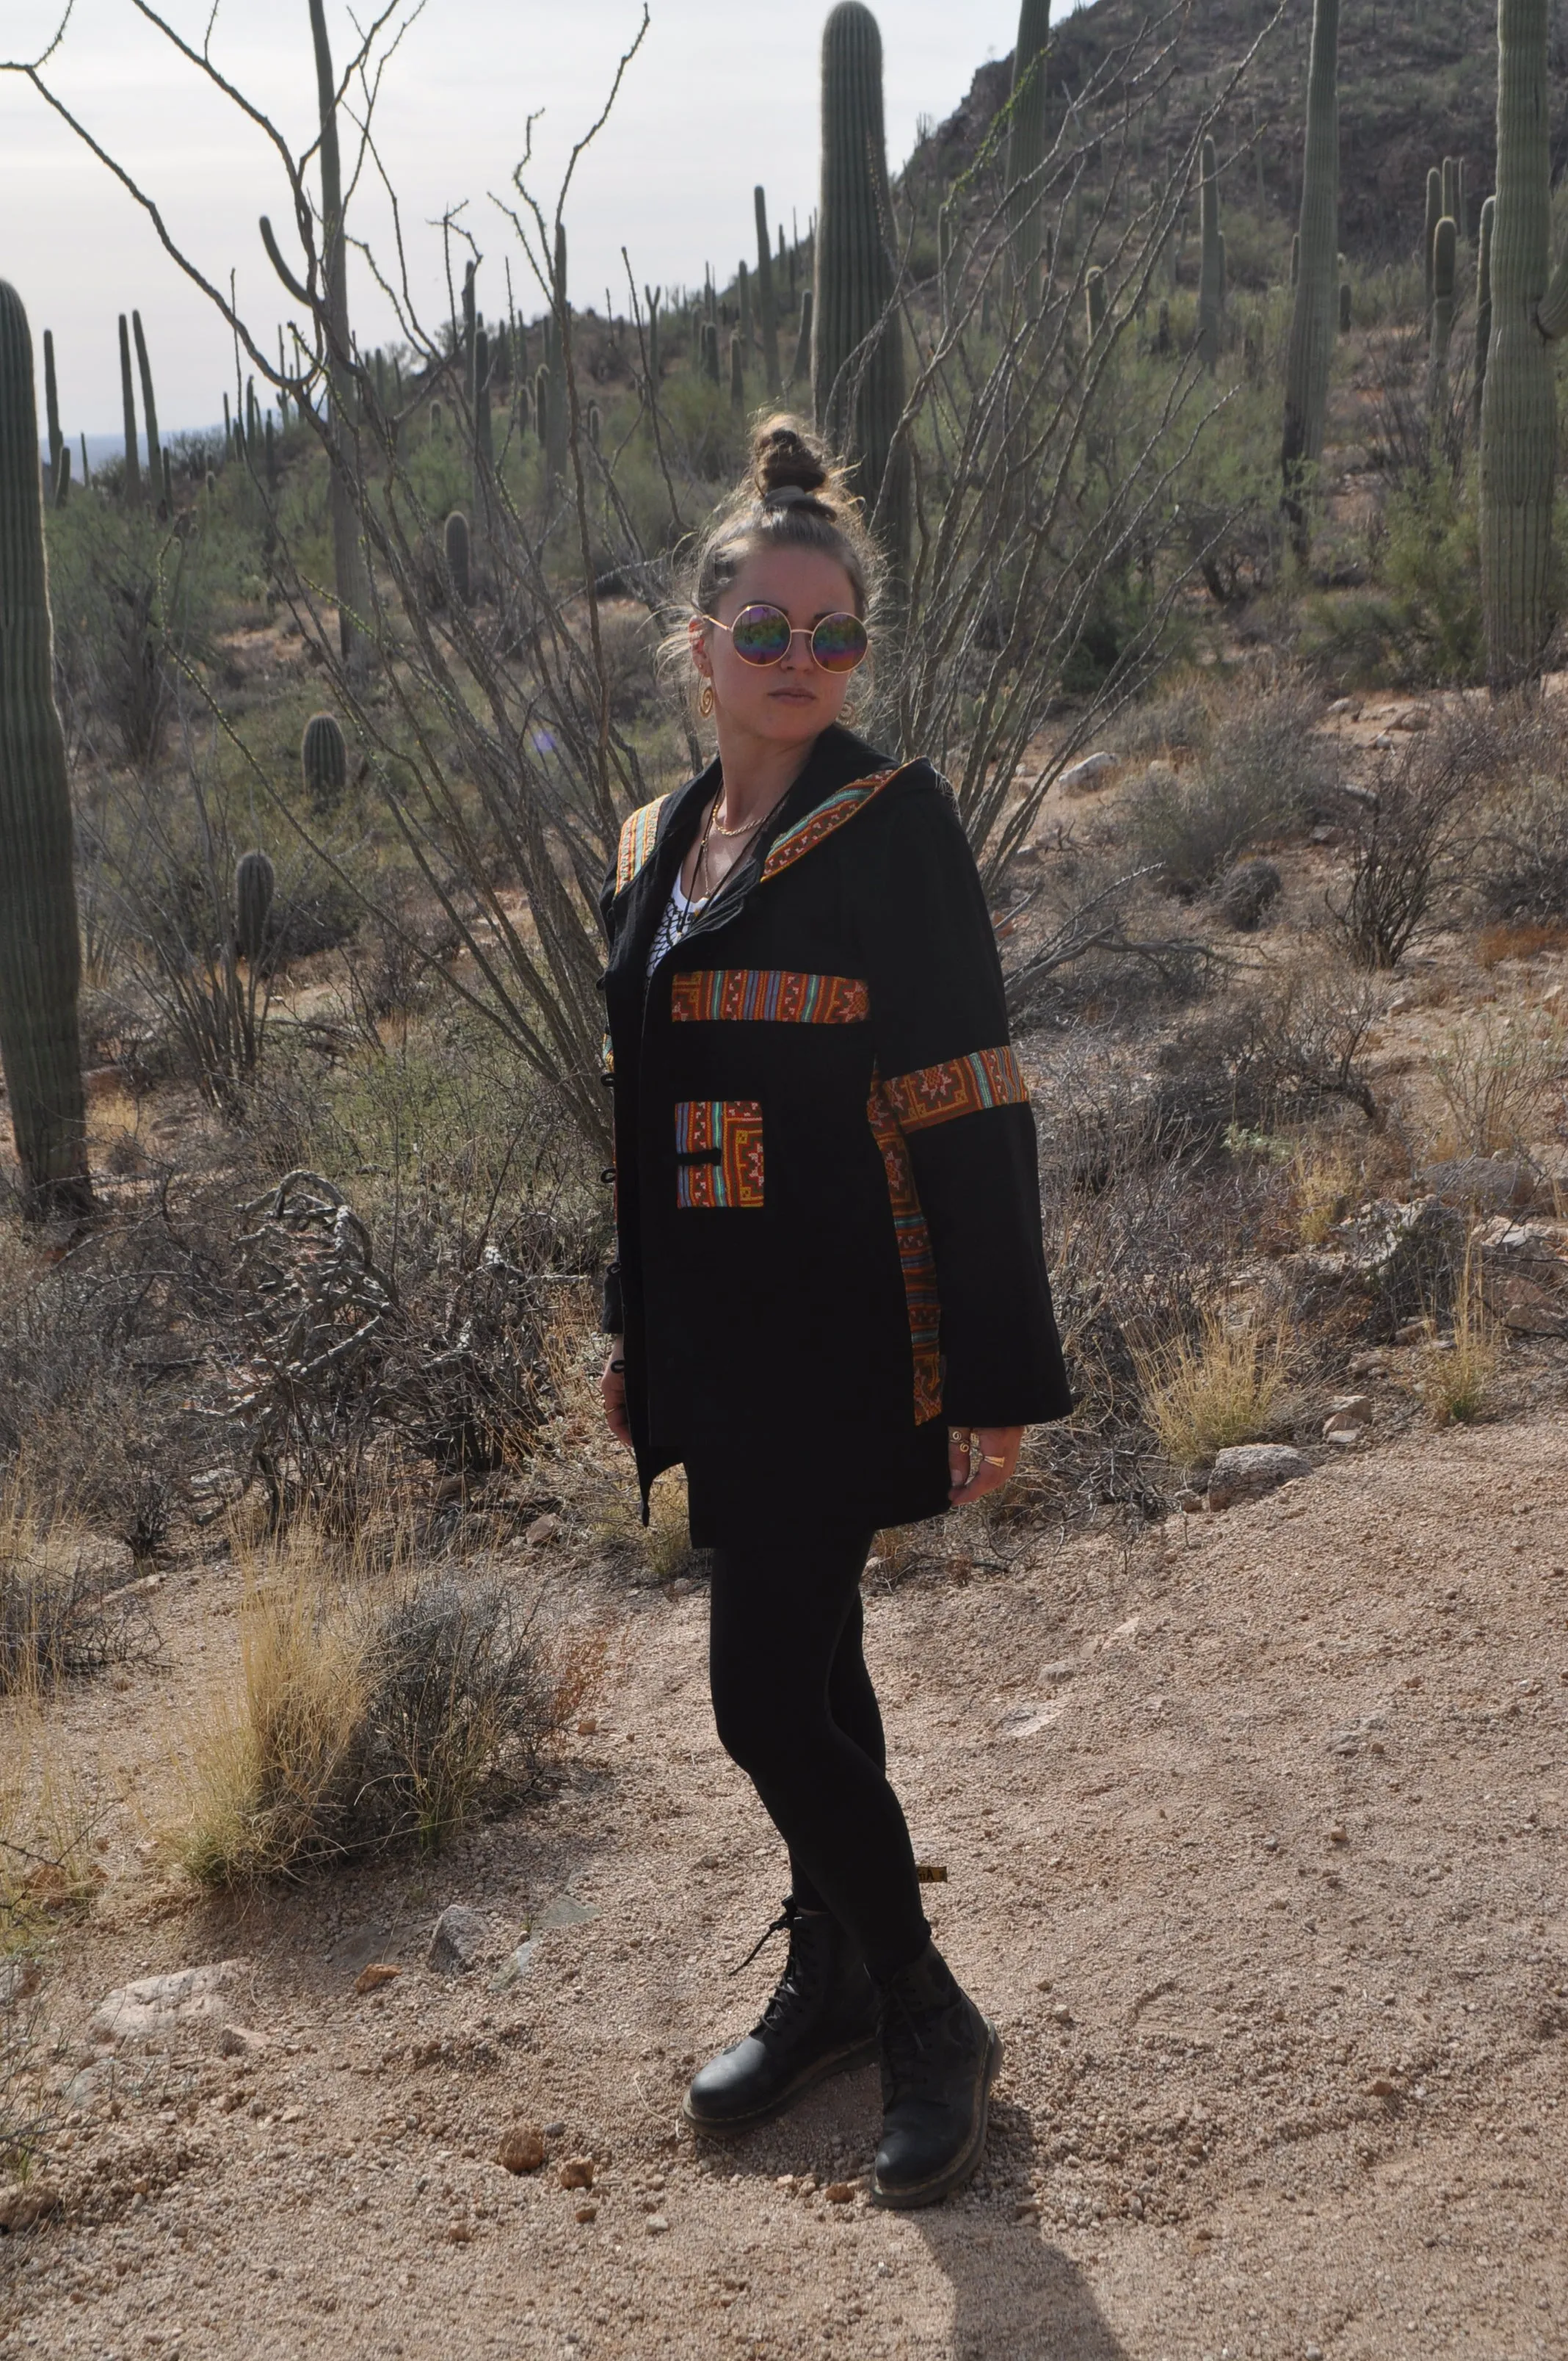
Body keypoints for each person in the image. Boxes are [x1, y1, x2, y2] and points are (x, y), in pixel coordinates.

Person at [596, 416, 1070, 2210]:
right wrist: (635, 1329)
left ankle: (932, 2011)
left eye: (835, 635)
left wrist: (998, 1374)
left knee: (756, 1702)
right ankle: (840, 1970)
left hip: (856, 1325)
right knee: (817, 1668)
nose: (804, 663)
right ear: (701, 645)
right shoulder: (658, 840)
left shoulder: (894, 823)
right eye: (769, 632)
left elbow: (970, 1094)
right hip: (716, 1338)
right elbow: (638, 1117)